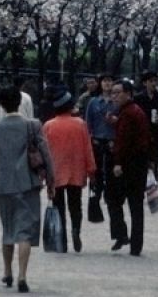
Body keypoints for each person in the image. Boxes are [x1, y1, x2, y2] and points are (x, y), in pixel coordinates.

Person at [0, 85, 54, 294]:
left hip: (1, 184)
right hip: (27, 184)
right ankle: (22, 276)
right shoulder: (33, 125)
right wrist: (51, 180)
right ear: (21, 102)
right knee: (24, 231)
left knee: (8, 229)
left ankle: (7, 272)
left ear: (1, 104)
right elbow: (46, 154)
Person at [43, 89, 96, 252]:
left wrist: (44, 174)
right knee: (75, 205)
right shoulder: (80, 124)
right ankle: (76, 230)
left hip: (56, 172)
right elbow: (88, 149)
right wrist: (91, 170)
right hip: (76, 171)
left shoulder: (48, 126)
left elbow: (44, 152)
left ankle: (62, 240)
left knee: (58, 207)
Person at [107, 78, 150, 257]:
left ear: (128, 93)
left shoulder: (128, 113)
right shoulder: (134, 111)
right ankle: (135, 244)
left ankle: (122, 234)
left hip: (128, 165)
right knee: (136, 205)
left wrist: (117, 162)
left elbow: (123, 141)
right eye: (113, 93)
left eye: (118, 92)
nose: (114, 96)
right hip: (138, 163)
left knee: (113, 198)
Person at [85, 73, 116, 224]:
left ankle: (110, 198)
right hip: (97, 142)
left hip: (112, 142)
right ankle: (94, 202)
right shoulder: (93, 102)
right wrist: (90, 140)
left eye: (110, 81)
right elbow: (88, 123)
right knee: (95, 174)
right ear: (100, 84)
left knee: (111, 174)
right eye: (104, 81)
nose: (107, 84)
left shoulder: (117, 102)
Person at [134, 70, 158, 183]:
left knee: (155, 164)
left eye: (155, 81)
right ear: (144, 83)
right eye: (150, 81)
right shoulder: (138, 99)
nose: (153, 83)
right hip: (141, 135)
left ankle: (153, 190)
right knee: (141, 164)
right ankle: (140, 190)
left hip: (156, 135)